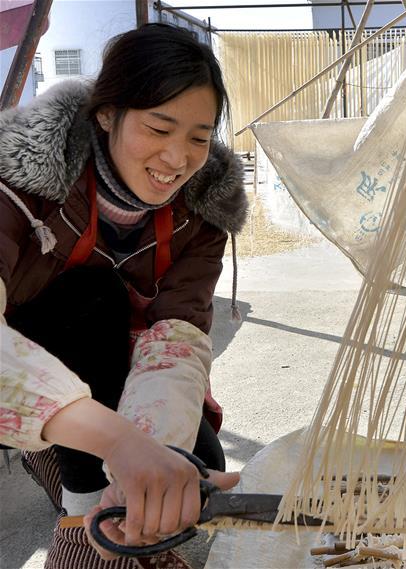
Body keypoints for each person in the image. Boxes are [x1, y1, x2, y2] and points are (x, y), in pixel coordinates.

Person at [0, 23, 247, 568]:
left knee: (193, 459)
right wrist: (117, 444)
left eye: (199, 137)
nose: (177, 158)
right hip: (21, 372)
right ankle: (81, 513)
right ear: (106, 114)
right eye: (159, 128)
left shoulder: (202, 213)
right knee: (93, 293)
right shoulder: (18, 182)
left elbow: (178, 337)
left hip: (119, 367)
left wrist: (152, 457)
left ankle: (97, 492)